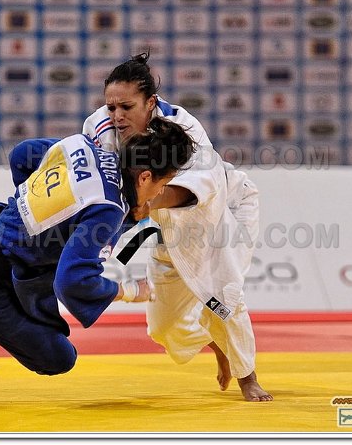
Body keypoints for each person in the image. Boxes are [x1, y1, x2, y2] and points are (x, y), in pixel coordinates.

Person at [0, 118, 196, 376]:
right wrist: (130, 291)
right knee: (58, 358)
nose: (158, 195)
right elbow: (72, 282)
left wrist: (32, 206)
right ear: (145, 177)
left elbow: (21, 155)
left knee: (66, 249)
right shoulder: (109, 210)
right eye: (161, 186)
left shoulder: (85, 147)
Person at [83, 52, 272, 401]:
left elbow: (205, 187)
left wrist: (146, 203)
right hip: (163, 224)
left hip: (219, 211)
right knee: (163, 330)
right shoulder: (99, 126)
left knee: (223, 293)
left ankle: (249, 376)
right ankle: (215, 341)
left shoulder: (185, 129)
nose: (117, 116)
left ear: (150, 102)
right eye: (111, 107)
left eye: (126, 107)